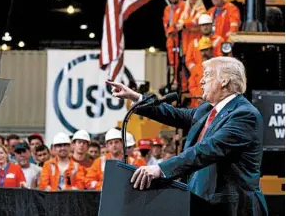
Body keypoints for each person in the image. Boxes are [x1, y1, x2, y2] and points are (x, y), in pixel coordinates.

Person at [106, 56, 268, 216]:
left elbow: (209, 149)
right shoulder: (206, 110)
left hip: (233, 207)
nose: (201, 81)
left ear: (224, 81)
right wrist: (136, 97)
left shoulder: (244, 115)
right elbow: (174, 114)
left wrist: (161, 168)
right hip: (202, 202)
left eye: (207, 75)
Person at [163, 0, 185, 85]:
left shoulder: (184, 5)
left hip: (181, 38)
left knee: (180, 62)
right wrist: (168, 32)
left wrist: (171, 29)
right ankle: (172, 82)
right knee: (172, 63)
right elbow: (165, 23)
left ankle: (180, 83)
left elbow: (179, 22)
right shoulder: (168, 9)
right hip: (171, 39)